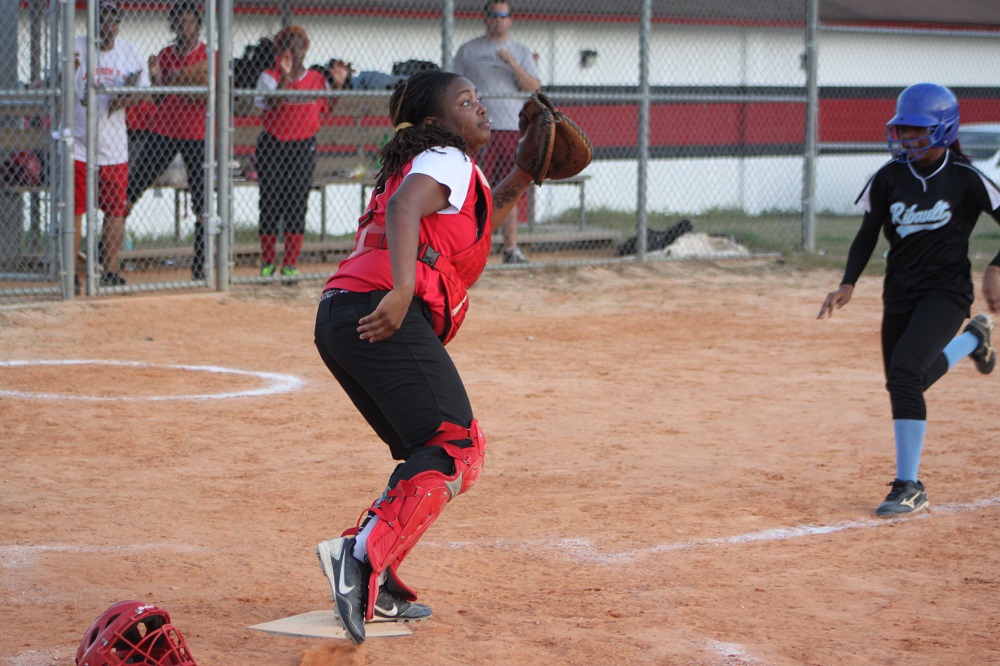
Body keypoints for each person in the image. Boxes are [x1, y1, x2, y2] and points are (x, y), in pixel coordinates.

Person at [313, 69, 535, 644]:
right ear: (437, 122)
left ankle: (376, 570)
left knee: (428, 448)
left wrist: (524, 174)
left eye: (478, 98)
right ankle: (359, 558)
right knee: (458, 445)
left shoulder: (439, 163)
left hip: (343, 311)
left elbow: (472, 226)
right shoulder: (446, 158)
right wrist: (403, 289)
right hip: (380, 307)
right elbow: (404, 210)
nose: (480, 107)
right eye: (465, 101)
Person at [818, 82, 1000, 518]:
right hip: (899, 292)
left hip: (946, 293)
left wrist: (996, 267)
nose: (908, 138)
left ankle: (909, 486)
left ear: (944, 129)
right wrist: (848, 283)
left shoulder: (966, 177)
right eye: (903, 129)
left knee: (904, 374)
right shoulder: (889, 177)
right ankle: (974, 340)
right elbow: (867, 233)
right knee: (907, 381)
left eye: (919, 130)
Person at [125, 1, 209, 280]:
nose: (185, 27)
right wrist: (157, 78)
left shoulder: (206, 55)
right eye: (180, 22)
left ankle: (200, 266)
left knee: (201, 201)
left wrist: (183, 80)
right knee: (135, 185)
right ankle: (106, 257)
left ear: (197, 25)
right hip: (164, 130)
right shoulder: (166, 54)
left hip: (196, 133)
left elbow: (205, 94)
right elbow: (159, 98)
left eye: (190, 22)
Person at [453, 0, 540, 264]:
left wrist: (512, 63)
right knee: (473, 190)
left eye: (503, 15)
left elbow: (534, 87)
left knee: (508, 189)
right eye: (494, 15)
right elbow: (452, 87)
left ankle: (511, 249)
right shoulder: (469, 50)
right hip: (476, 130)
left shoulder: (520, 51)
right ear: (485, 18)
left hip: (510, 128)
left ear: (510, 19)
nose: (498, 20)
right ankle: (467, 249)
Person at [70, 0, 149, 288]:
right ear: (93, 22)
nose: (108, 25)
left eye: (113, 19)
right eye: (102, 19)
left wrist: (123, 99)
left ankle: (110, 270)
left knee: (115, 209)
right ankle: (71, 274)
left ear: (119, 23)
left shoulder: (129, 51)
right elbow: (58, 84)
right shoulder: (77, 46)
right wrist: (69, 70)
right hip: (78, 143)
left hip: (114, 146)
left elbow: (143, 91)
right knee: (75, 209)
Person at [253, 25, 329, 279]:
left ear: (305, 49)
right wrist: (285, 77)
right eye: (289, 47)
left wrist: (339, 84)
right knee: (270, 200)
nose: (295, 52)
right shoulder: (269, 76)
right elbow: (274, 104)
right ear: (280, 50)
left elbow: (326, 109)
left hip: (303, 145)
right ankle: (267, 261)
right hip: (273, 144)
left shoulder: (316, 78)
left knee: (297, 202)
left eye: (299, 46)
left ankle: (290, 264)